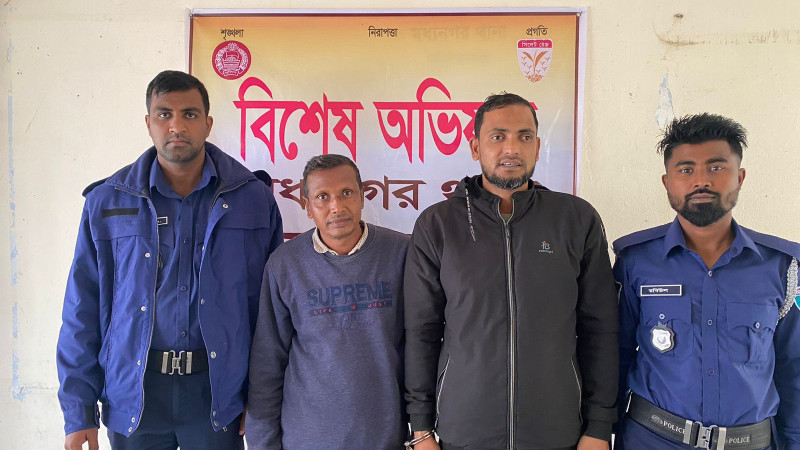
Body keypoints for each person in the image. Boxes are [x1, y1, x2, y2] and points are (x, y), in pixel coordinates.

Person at [56, 70, 284, 450]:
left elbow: (271, 311)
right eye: (164, 114)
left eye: (190, 114)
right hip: (135, 392)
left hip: (218, 392)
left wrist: (261, 396)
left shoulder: (253, 199)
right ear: (148, 123)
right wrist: (79, 410)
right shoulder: (108, 201)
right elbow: (82, 308)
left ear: (208, 124)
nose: (177, 126)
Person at [404, 93, 619, 450]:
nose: (512, 148)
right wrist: (421, 428)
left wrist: (599, 426)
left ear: (537, 146)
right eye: (498, 136)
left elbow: (600, 328)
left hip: (556, 432)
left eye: (525, 136)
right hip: (464, 432)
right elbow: (421, 331)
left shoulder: (575, 219)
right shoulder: (438, 225)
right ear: (475, 147)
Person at [613, 113, 800, 449]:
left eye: (716, 167)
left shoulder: (782, 266)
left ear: (739, 177)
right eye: (686, 170)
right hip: (653, 440)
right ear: (666, 182)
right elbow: (615, 354)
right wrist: (601, 430)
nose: (701, 181)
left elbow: (794, 367)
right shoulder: (635, 261)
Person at [246, 154, 409, 450]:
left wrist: (422, 429)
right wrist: (262, 443)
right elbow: (267, 362)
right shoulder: (284, 264)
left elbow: (423, 346)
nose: (336, 207)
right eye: (323, 197)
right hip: (306, 439)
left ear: (362, 195)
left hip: (385, 437)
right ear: (307, 207)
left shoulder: (403, 253)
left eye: (346, 193)